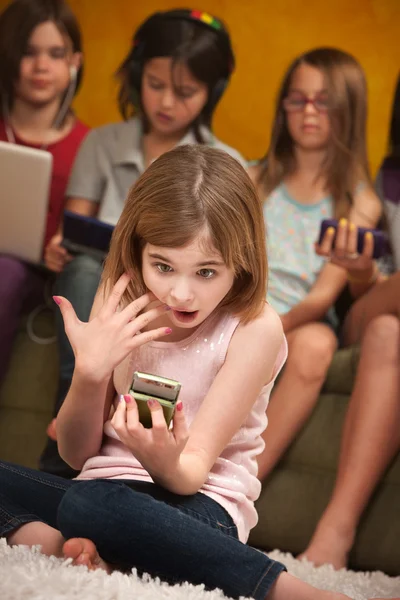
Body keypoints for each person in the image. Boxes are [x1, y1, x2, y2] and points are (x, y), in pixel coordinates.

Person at [1, 144, 387, 600]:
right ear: (137, 251)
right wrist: (89, 374)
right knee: (86, 497)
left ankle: (292, 591)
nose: (181, 293)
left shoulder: (254, 328)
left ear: (240, 262)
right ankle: (63, 543)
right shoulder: (121, 293)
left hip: (199, 506)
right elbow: (74, 455)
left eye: (206, 272)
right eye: (163, 266)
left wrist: (159, 455)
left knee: (90, 503)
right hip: (106, 490)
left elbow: (190, 473)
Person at [39, 8, 246, 478]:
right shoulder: (104, 143)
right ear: (136, 76)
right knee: (89, 273)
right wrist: (58, 246)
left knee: (154, 294)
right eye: (155, 84)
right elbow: (75, 227)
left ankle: (98, 447)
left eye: (185, 91)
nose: (166, 101)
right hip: (100, 271)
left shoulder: (222, 163)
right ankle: (76, 416)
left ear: (211, 91)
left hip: (166, 289)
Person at [248, 47, 382, 483]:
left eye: (323, 101)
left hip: (297, 316)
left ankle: (242, 487)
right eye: (297, 98)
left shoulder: (359, 202)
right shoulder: (253, 180)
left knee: (317, 344)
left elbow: (323, 296)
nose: (308, 111)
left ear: (349, 110)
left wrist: (267, 327)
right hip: (239, 302)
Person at [298, 72, 400, 569]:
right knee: (382, 318)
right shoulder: (387, 179)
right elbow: (368, 293)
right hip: (373, 302)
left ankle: (336, 528)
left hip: (387, 330)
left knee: (388, 335)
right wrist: (360, 272)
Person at [0, 0, 89, 388]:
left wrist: (63, 247)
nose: (41, 67)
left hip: (36, 276)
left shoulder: (90, 145)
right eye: (28, 52)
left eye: (55, 54)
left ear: (75, 63)